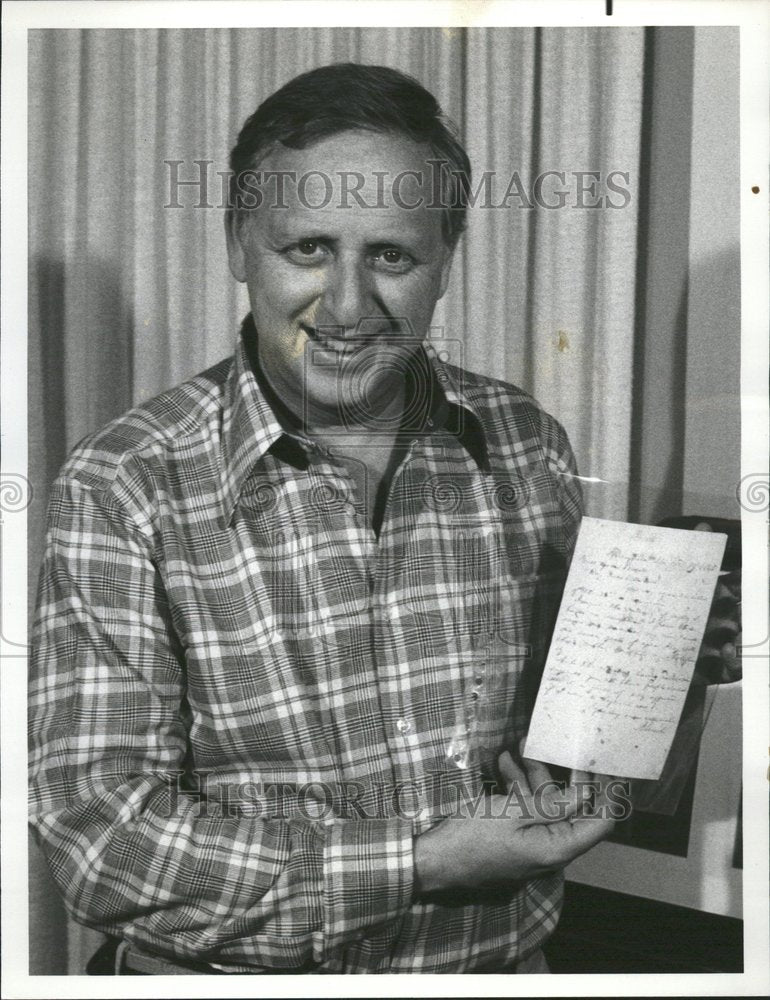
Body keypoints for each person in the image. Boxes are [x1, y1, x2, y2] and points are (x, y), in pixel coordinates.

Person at [28, 62, 738, 976]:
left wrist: (660, 700)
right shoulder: (125, 480)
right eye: (309, 250)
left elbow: (564, 752)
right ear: (240, 244)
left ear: (447, 257)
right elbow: (99, 844)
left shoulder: (526, 444)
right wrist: (418, 864)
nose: (351, 308)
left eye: (392, 256)